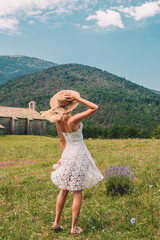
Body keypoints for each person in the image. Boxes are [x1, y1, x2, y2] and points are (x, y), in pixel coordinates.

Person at [41, 90, 104, 236]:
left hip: (68, 154)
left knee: (63, 190)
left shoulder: (58, 121)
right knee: (77, 191)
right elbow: (94, 107)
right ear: (71, 106)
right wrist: (79, 98)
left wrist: (63, 158)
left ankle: (56, 223)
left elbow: (62, 141)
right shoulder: (74, 119)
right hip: (78, 154)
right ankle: (74, 228)